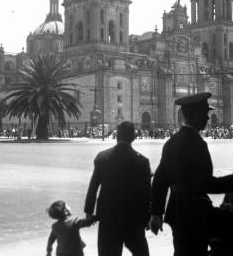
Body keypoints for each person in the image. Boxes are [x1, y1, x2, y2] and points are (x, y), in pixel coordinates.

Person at [150, 92, 233, 256]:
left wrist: (156, 213)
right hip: (195, 213)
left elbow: (160, 179)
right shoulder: (197, 143)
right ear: (194, 115)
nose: (208, 119)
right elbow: (206, 184)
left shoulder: (171, 142)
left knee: (182, 250)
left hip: (177, 211)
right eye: (205, 114)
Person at [84, 121, 151, 256]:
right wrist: (148, 218)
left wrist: (89, 212)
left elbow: (93, 187)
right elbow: (147, 194)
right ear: (134, 137)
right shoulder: (142, 162)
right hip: (134, 218)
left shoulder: (102, 158)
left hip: (108, 217)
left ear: (116, 136)